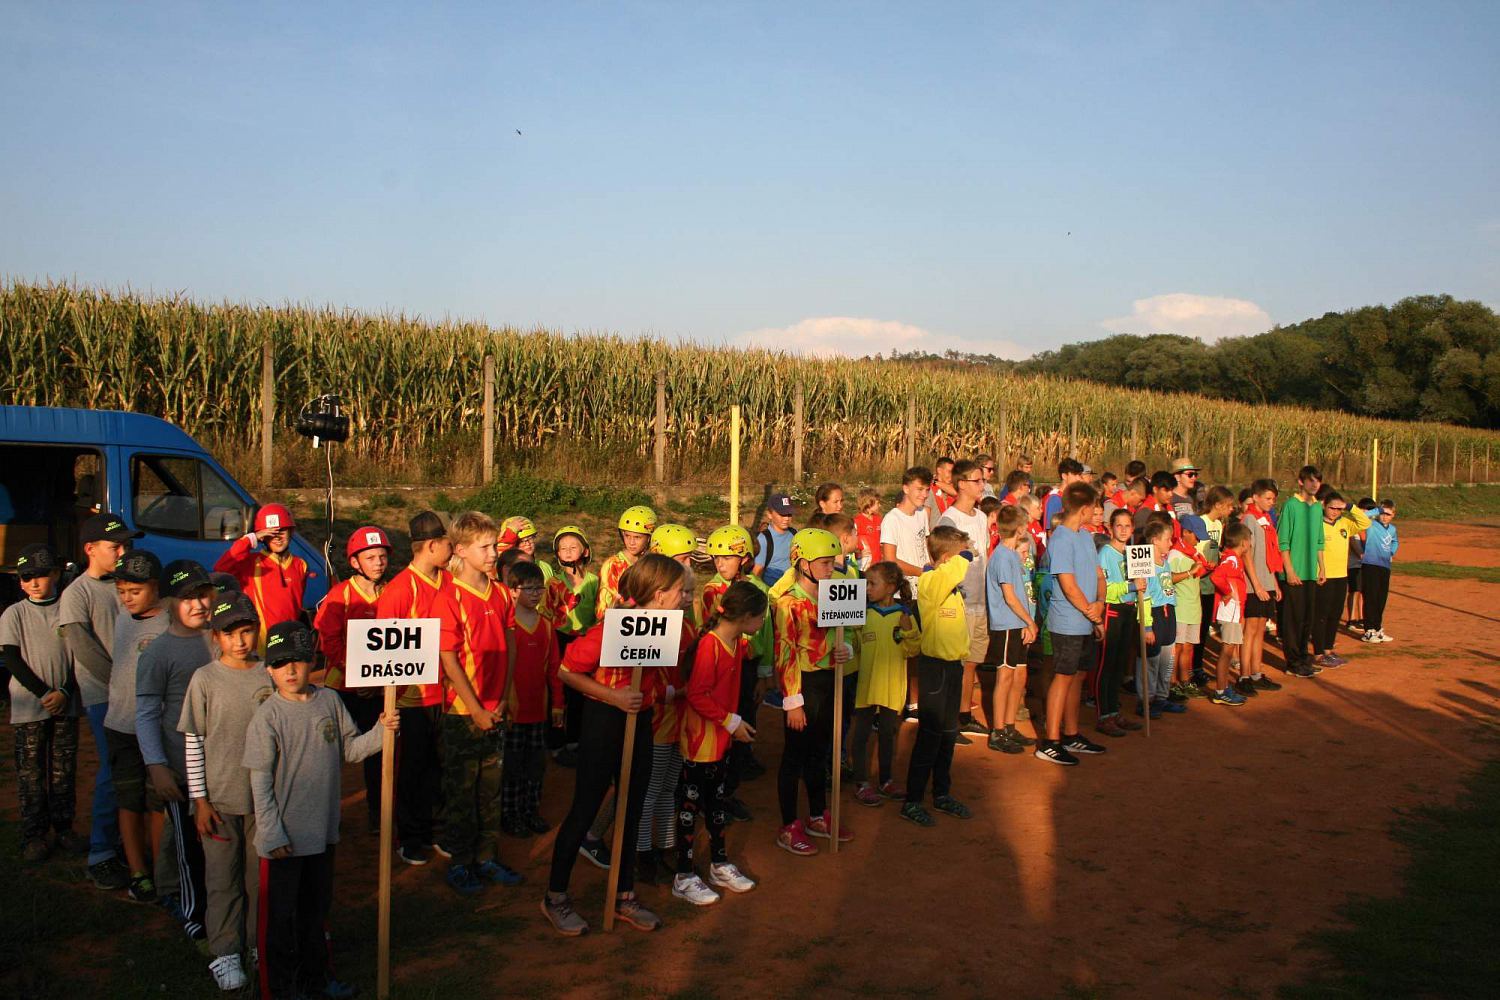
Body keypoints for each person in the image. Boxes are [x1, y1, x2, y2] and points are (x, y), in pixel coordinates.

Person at [243, 621, 397, 1000]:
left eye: (298, 660)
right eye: (281, 664)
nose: (291, 670)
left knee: (315, 913)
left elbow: (349, 750)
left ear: (312, 661)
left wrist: (382, 730)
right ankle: (277, 988)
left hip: (322, 833)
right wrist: (272, 832)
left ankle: (316, 978)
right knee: (279, 920)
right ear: (269, 669)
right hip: (283, 841)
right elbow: (260, 782)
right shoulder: (269, 716)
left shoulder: (330, 700)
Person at [542, 554, 694, 936]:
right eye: (680, 591)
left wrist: (659, 694)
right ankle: (555, 897)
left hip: (639, 721)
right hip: (603, 721)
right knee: (585, 808)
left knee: (632, 808)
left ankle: (624, 895)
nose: (685, 597)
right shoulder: (610, 627)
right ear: (659, 595)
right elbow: (567, 670)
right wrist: (613, 697)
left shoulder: (665, 627)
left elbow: (655, 681)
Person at [177, 591, 271, 992]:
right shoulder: (204, 679)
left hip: (262, 802)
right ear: (215, 636)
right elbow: (194, 741)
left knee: (257, 880)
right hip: (218, 801)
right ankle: (225, 950)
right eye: (230, 633)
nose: (240, 641)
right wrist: (199, 799)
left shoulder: (270, 674)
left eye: (246, 631)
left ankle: (256, 944)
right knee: (221, 880)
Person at [440, 511, 522, 894]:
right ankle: (460, 862)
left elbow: (510, 646)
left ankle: (487, 856)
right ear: (460, 550)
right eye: (485, 547)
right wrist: (474, 707)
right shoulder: (449, 595)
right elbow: (448, 657)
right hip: (462, 712)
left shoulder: (502, 593)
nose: (493, 554)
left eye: (494, 546)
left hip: (496, 707)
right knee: (461, 788)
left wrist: (504, 695)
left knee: (491, 787)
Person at [57, 511, 141, 889]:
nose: (123, 551)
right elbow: (84, 651)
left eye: (126, 544)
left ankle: (129, 842)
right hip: (104, 697)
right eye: (115, 546)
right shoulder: (78, 594)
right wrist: (120, 683)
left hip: (136, 693)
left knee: (138, 769)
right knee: (112, 770)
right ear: (90, 549)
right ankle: (101, 852)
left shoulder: (128, 584)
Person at [136, 559, 218, 942]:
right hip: (180, 768)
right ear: (170, 601)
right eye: (187, 598)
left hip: (221, 766)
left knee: (220, 843)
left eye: (203, 595)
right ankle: (195, 915)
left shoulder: (222, 639)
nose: (199, 604)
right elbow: (147, 712)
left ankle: (224, 909)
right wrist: (156, 765)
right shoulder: (158, 653)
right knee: (187, 847)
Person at [374, 510, 459, 867]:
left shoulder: (450, 583)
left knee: (442, 766)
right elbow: (382, 651)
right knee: (412, 769)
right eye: (447, 543)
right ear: (431, 546)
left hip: (447, 693)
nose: (452, 549)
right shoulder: (397, 591)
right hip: (412, 698)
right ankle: (410, 838)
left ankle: (435, 830)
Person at [672, 580, 766, 905]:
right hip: (701, 742)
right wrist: (731, 722)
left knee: (716, 804)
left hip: (722, 739)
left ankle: (719, 863)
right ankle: (683, 873)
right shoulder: (710, 645)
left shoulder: (737, 644)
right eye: (761, 617)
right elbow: (697, 695)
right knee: (689, 809)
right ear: (747, 616)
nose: (763, 623)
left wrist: (732, 724)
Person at [773, 528, 855, 856]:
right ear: (802, 563)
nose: (829, 568)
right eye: (822, 562)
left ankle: (818, 815)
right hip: (802, 685)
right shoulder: (788, 603)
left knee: (821, 752)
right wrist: (793, 701)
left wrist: (844, 647)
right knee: (795, 756)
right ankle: (788, 825)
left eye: (832, 562)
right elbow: (785, 652)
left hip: (828, 682)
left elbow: (845, 630)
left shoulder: (835, 592)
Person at [3, 543, 80, 863]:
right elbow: (11, 658)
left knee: (63, 770)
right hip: (29, 708)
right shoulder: (14, 613)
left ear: (56, 574)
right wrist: (44, 693)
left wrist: (64, 690)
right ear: (19, 581)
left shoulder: (68, 609)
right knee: (31, 773)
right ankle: (34, 834)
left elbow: (79, 657)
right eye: (26, 576)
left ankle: (63, 829)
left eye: (40, 575)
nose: (33, 582)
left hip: (65, 704)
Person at [312, 525, 390, 832]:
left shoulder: (392, 591)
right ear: (355, 562)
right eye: (370, 557)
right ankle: (326, 814)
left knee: (378, 751)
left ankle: (377, 813)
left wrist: (377, 679)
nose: (378, 562)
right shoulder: (340, 595)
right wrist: (359, 675)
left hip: (379, 687)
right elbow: (329, 641)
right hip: (342, 687)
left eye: (382, 556)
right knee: (334, 753)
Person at [104, 548, 170, 902]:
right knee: (128, 800)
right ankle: (138, 872)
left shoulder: (171, 621)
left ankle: (161, 872)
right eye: (122, 591)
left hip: (158, 729)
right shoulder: (121, 617)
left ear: (156, 588)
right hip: (121, 724)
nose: (127, 598)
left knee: (157, 801)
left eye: (136, 591)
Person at [900, 524, 976, 826]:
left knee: (947, 735)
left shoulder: (950, 584)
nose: (964, 562)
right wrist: (966, 553)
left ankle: (942, 793)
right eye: (956, 556)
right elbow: (954, 569)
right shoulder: (932, 581)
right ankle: (913, 800)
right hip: (934, 669)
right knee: (929, 736)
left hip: (953, 668)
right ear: (946, 557)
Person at [699, 525, 773, 808]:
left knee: (747, 721)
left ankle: (728, 790)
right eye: (716, 558)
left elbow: (766, 634)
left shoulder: (758, 589)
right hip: (721, 667)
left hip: (748, 668)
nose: (720, 563)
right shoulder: (712, 591)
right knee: (722, 725)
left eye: (727, 557)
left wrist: (764, 674)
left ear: (743, 558)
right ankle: (715, 793)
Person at [1036, 483, 1107, 766]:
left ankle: (1071, 733)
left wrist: (1099, 604)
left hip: (1086, 619)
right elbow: (1067, 583)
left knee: (1077, 675)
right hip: (1067, 622)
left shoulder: (1085, 536)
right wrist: (1093, 614)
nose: (1097, 513)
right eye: (1094, 508)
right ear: (1085, 508)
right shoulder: (1062, 538)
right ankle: (1050, 741)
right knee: (1063, 676)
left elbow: (1098, 575)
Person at [501, 559, 562, 839]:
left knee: (536, 765)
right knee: (512, 766)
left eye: (540, 588)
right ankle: (510, 814)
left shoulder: (547, 627)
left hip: (538, 710)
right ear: (512, 590)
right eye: (529, 588)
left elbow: (554, 670)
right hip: (511, 711)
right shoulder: (506, 626)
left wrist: (558, 704)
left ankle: (530, 811)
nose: (536, 593)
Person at [851, 562, 919, 803]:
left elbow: (913, 650)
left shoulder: (904, 614)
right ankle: (861, 781)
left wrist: (908, 631)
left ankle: (886, 780)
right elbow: (855, 645)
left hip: (892, 686)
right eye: (866, 583)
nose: (867, 589)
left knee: (888, 733)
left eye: (872, 584)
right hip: (866, 685)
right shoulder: (862, 613)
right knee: (860, 733)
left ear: (890, 588)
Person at [938, 459, 991, 744]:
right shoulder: (949, 520)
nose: (982, 485)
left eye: (982, 480)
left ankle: (963, 716)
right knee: (956, 663)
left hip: (980, 599)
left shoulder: (981, 517)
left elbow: (984, 557)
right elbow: (943, 563)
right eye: (977, 480)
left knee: (971, 662)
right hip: (960, 600)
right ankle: (948, 721)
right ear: (961, 484)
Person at [212, 503, 309, 646]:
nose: (277, 537)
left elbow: (296, 605)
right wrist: (252, 538)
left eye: (282, 531)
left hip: (289, 641)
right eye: (271, 533)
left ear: (291, 532)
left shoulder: (301, 565)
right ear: (263, 536)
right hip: (261, 644)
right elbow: (221, 568)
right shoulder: (251, 563)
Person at [984, 507, 1040, 751]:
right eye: (1024, 525)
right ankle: (998, 731)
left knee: (1016, 675)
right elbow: (1009, 596)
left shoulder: (1008, 554)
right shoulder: (1003, 556)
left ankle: (1008, 726)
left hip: (1015, 623)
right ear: (1018, 529)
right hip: (1007, 624)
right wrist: (1030, 620)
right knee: (1005, 676)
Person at [548, 525, 598, 766]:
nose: (567, 552)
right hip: (559, 639)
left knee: (582, 693)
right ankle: (557, 742)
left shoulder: (595, 582)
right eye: (562, 548)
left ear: (585, 551)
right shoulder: (552, 583)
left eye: (573, 547)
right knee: (559, 692)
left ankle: (575, 740)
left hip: (585, 642)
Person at [1094, 509, 1144, 739]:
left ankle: (1114, 710)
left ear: (1133, 529)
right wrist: (1132, 586)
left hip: (1129, 609)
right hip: (1112, 609)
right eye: (1119, 526)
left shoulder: (1133, 554)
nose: (1123, 530)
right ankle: (1104, 715)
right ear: (1110, 528)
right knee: (1107, 664)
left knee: (1120, 664)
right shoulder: (1105, 553)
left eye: (1127, 526)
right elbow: (1105, 587)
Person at [1312, 491, 1371, 668]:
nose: (1335, 512)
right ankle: (1318, 653)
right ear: (1324, 506)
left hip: (1341, 575)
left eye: (1339, 508)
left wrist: (1350, 507)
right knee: (1321, 615)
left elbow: (1365, 522)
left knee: (1334, 615)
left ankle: (1328, 650)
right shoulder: (1317, 524)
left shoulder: (1344, 523)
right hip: (1323, 576)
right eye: (1332, 508)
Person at [1278, 467, 1326, 678]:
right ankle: (1293, 662)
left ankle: (1304, 658)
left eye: (1318, 481)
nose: (1315, 485)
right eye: (1311, 481)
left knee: (1307, 618)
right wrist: (1289, 570)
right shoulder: (1291, 505)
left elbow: (1319, 541)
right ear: (1301, 482)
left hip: (1310, 574)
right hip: (1294, 573)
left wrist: (1321, 567)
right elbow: (1283, 542)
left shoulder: (1316, 508)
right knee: (1292, 620)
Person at [1240, 480, 1287, 689]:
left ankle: (1257, 672)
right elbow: (1247, 555)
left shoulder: (1266, 520)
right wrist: (1257, 585)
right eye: (1267, 498)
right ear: (1256, 497)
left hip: (1266, 581)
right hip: (1253, 585)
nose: (1271, 502)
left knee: (1260, 629)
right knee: (1250, 630)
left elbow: (1270, 555)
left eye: (1273, 499)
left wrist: (1274, 583)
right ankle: (1244, 675)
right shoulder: (1249, 519)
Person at [1168, 516, 1211, 699]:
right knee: (1176, 648)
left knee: (1187, 647)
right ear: (1185, 532)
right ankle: (1171, 684)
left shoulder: (1194, 553)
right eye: (1196, 535)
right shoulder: (1175, 554)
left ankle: (1185, 681)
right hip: (1180, 608)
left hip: (1194, 608)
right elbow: (1167, 578)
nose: (1199, 540)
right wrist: (1190, 572)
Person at [1208, 524, 1251, 706]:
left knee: (1228, 650)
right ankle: (1220, 691)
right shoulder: (1231, 560)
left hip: (1233, 610)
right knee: (1227, 651)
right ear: (1243, 542)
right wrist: (1226, 592)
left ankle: (1223, 688)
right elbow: (1216, 577)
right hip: (1229, 610)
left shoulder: (1233, 558)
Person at [597, 505, 657, 613]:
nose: (631, 542)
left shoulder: (651, 564)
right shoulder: (613, 565)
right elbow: (603, 608)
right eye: (627, 536)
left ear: (649, 538)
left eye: (637, 537)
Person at [881, 467, 933, 589]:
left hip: (924, 589)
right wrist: (922, 572)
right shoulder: (892, 519)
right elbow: (890, 560)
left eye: (927, 490)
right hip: (903, 591)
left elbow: (925, 547)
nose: (925, 495)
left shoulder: (922, 513)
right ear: (906, 489)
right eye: (920, 489)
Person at [1360, 500, 1398, 643]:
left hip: (1384, 566)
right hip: (1370, 565)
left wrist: (1391, 552)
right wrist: (1377, 510)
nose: (1384, 516)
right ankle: (1368, 630)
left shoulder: (1392, 529)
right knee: (1371, 597)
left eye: (1388, 514)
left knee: (1381, 599)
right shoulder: (1371, 524)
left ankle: (1377, 628)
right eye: (1382, 513)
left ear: (1393, 515)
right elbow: (1362, 516)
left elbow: (1395, 541)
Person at [754, 493, 797, 587]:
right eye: (782, 514)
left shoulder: (795, 534)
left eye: (789, 514)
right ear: (769, 514)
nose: (786, 518)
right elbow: (757, 571)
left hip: (792, 589)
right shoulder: (763, 539)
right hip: (772, 590)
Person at [1043, 458, 1087, 528]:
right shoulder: (1055, 499)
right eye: (1075, 475)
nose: (1079, 479)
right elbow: (1051, 530)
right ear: (1064, 476)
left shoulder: (1070, 497)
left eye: (1079, 475)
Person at [853, 489, 883, 569]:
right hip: (864, 564)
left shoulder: (878, 519)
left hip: (878, 561)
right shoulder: (857, 521)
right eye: (877, 503)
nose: (880, 506)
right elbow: (852, 541)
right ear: (869, 504)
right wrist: (857, 552)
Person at [926, 456, 957, 524]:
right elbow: (926, 515)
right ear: (939, 470)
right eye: (949, 472)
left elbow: (955, 492)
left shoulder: (951, 487)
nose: (951, 476)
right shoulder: (929, 489)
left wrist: (935, 482)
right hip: (935, 533)